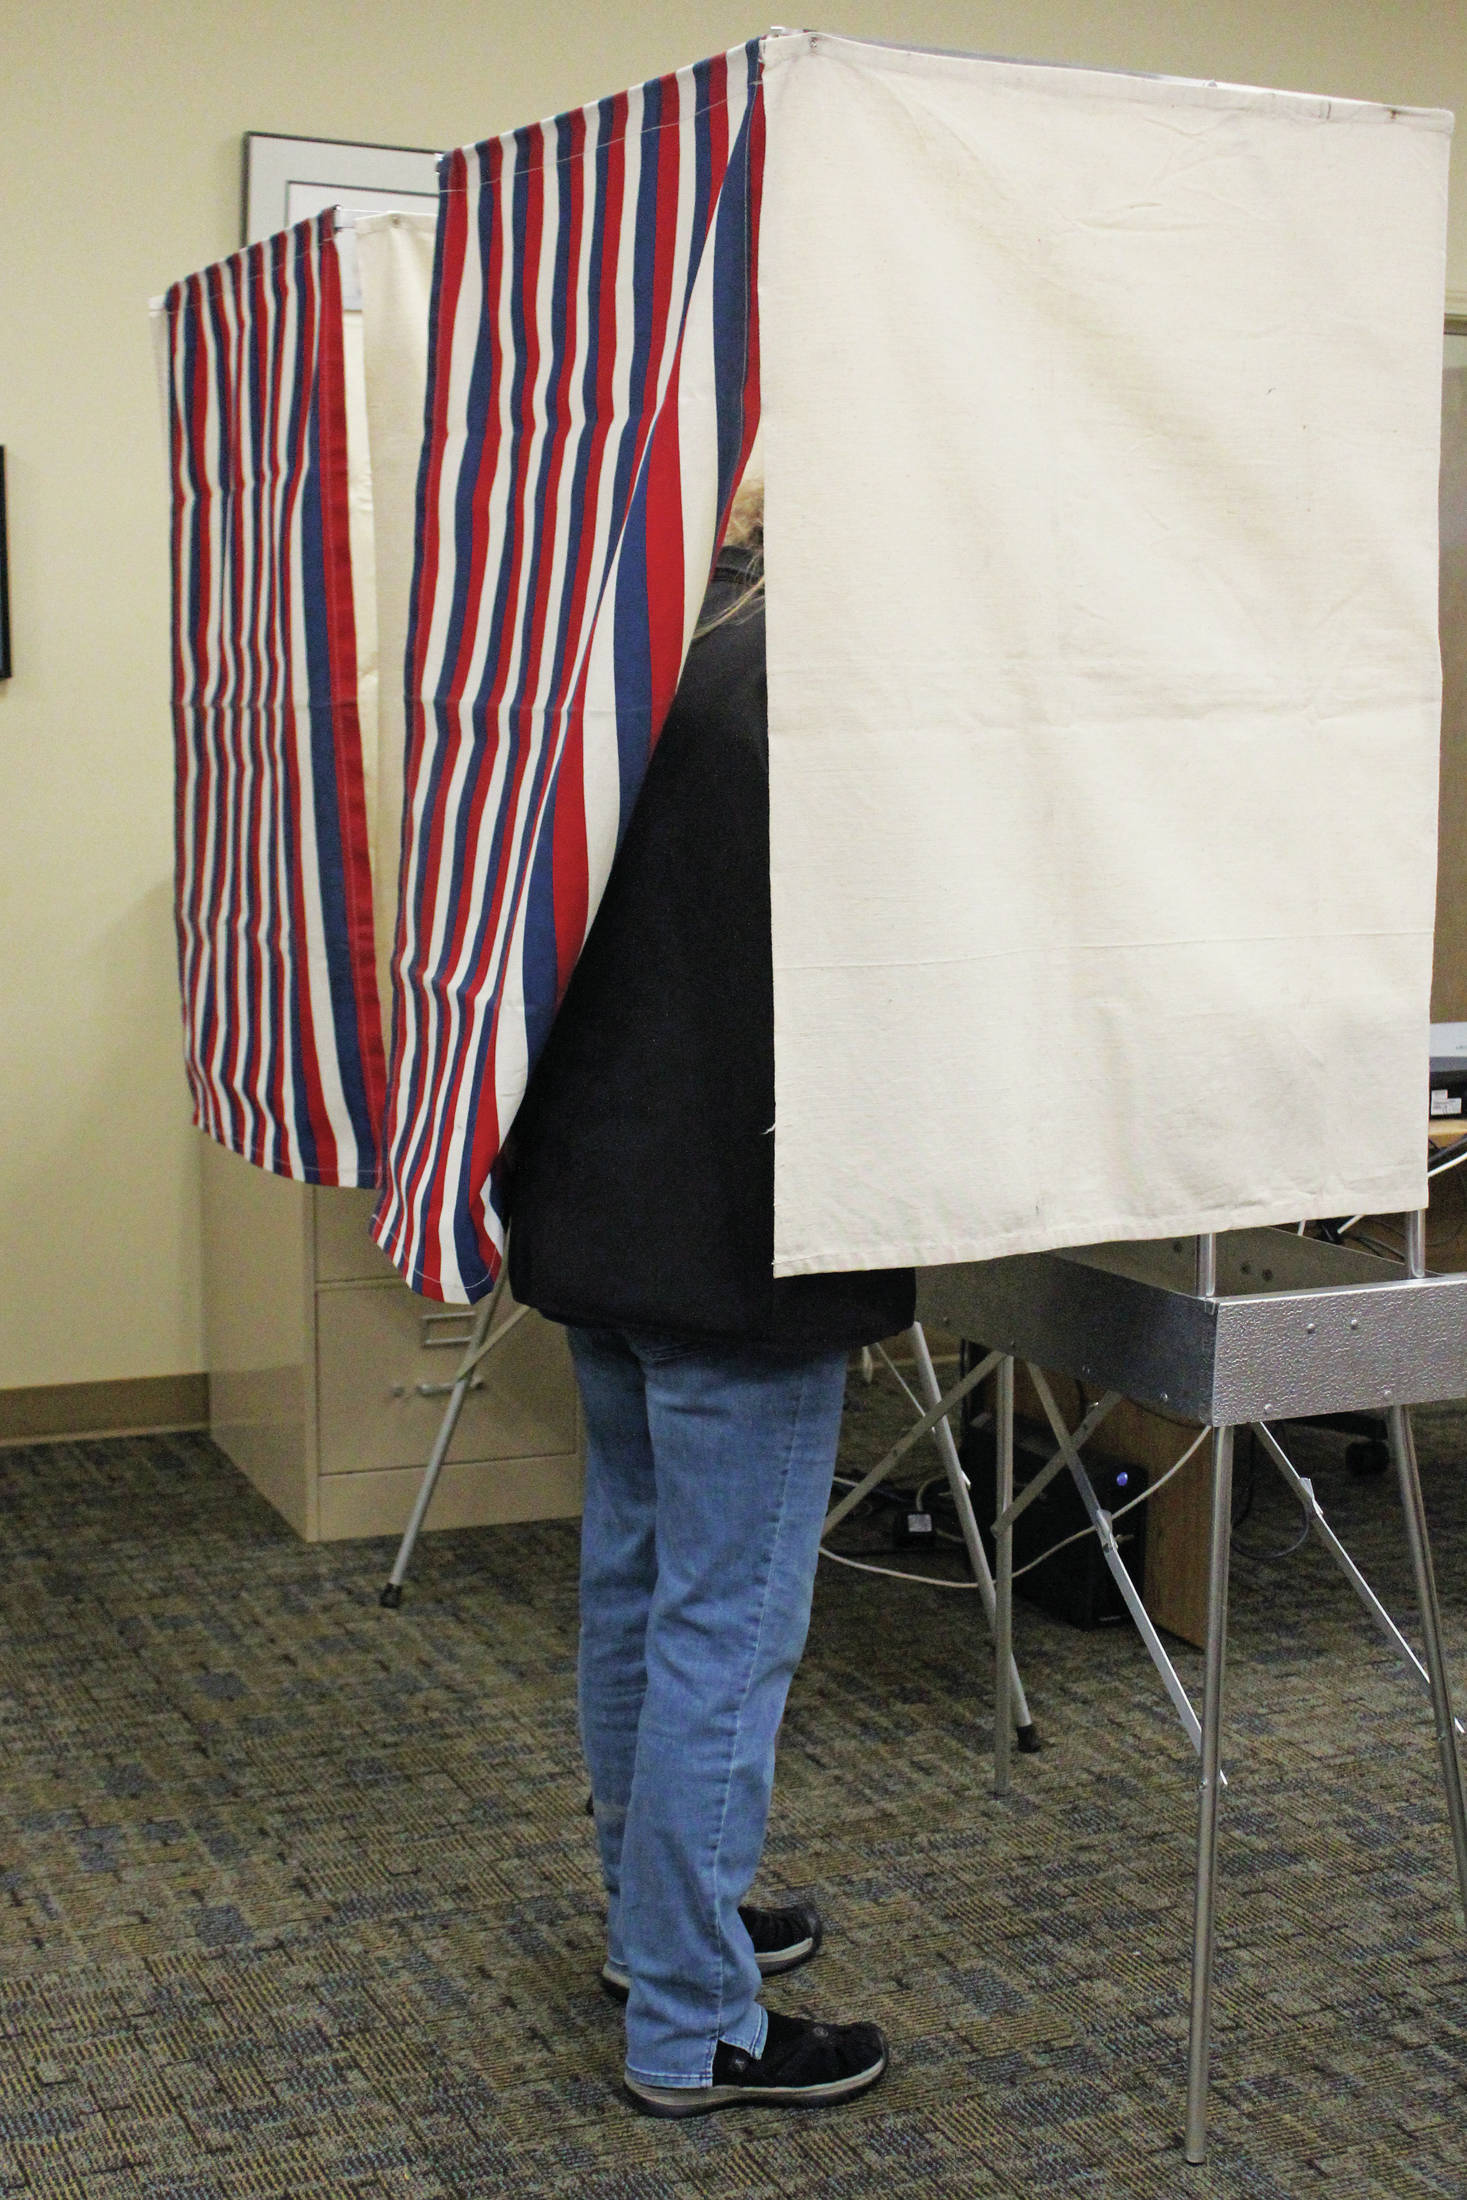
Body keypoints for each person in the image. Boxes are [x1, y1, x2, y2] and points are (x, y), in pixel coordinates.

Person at [506, 465, 914, 2116]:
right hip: (739, 1220)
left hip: (600, 1192)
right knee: (726, 1630)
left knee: (638, 1582)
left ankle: (655, 1922)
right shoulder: (837, 686)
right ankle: (696, 2023)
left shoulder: (637, 648)